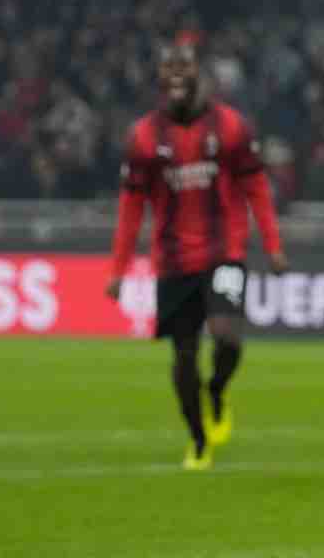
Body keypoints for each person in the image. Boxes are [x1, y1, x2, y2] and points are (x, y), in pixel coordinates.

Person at [105, 35, 288, 470]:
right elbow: (131, 208)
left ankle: (217, 391)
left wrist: (273, 245)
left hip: (224, 250)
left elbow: (256, 188)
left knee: (227, 336)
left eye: (183, 68)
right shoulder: (144, 137)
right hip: (172, 261)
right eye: (168, 70)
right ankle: (198, 438)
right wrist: (118, 270)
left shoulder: (231, 126)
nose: (176, 77)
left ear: (198, 75)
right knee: (183, 354)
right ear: (159, 79)